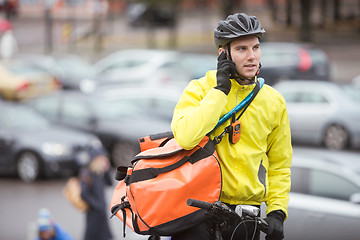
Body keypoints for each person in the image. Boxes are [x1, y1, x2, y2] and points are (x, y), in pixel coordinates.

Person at [170, 13, 292, 240]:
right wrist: (219, 91)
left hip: (247, 216)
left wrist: (277, 211)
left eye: (256, 47)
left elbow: (280, 165)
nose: (251, 56)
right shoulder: (200, 89)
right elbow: (185, 137)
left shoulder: (274, 101)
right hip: (201, 210)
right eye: (241, 49)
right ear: (223, 54)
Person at [79, 146, 113, 240]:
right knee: (91, 235)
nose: (103, 160)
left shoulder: (100, 172)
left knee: (105, 236)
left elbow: (110, 183)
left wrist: (107, 170)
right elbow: (83, 194)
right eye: (101, 158)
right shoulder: (86, 173)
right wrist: (97, 205)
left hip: (102, 212)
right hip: (93, 212)